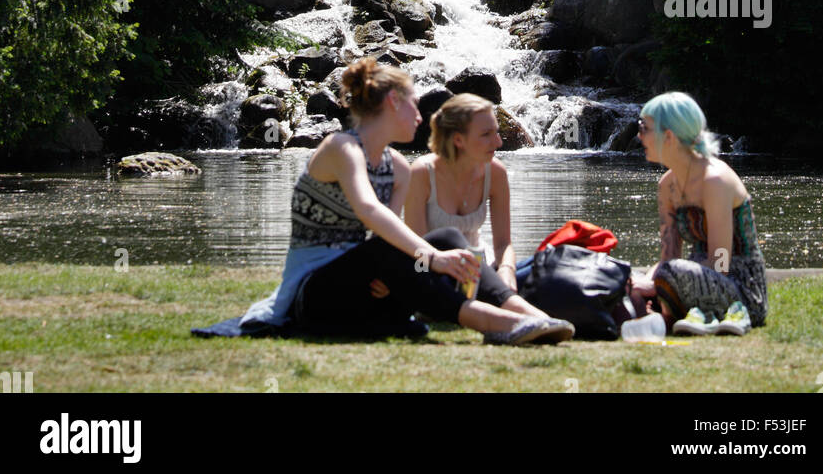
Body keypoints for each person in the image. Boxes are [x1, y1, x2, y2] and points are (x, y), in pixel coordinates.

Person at [239, 59, 574, 345]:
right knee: (410, 249)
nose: (422, 115)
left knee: (447, 238)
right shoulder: (341, 147)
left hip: (363, 287)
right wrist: (433, 259)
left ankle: (528, 314)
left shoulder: (398, 167)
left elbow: (391, 237)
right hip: (312, 292)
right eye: (414, 103)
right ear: (393, 103)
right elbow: (369, 212)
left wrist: (408, 266)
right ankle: (495, 324)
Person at [631, 92, 767, 332]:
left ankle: (672, 311)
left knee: (665, 275)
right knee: (627, 275)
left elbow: (721, 261)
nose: (639, 135)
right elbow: (669, 255)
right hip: (694, 274)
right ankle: (671, 310)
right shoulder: (667, 186)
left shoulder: (715, 180)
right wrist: (649, 280)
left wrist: (661, 282)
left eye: (644, 128)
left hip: (739, 286)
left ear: (669, 136)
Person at [404, 95, 544, 318]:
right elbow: (417, 251)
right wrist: (422, 286)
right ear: (458, 140)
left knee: (548, 263)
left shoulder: (495, 172)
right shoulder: (422, 173)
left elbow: (503, 244)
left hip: (481, 269)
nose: (498, 142)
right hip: (436, 272)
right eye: (486, 135)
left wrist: (507, 271)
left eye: (496, 132)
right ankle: (520, 313)